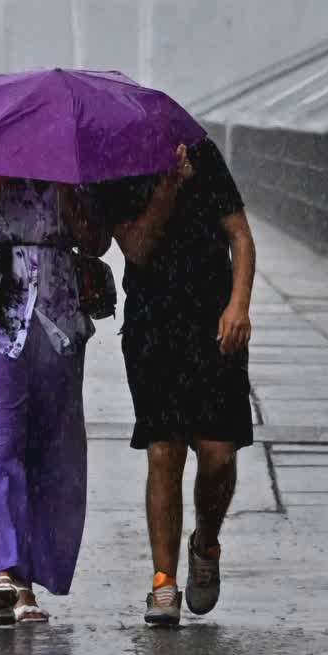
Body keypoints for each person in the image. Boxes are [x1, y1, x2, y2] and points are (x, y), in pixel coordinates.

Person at [90, 139, 257, 627]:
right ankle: (164, 582)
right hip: (153, 326)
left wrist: (239, 304)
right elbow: (138, 248)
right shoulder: (116, 168)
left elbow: (240, 235)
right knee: (164, 451)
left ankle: (206, 541)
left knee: (217, 454)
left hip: (214, 323)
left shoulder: (203, 155)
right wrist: (166, 184)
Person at [0, 172, 109, 625]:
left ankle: (27, 584)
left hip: (58, 311)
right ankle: (4, 570)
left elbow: (96, 240)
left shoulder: (75, 165)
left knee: (49, 447)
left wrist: (67, 190)